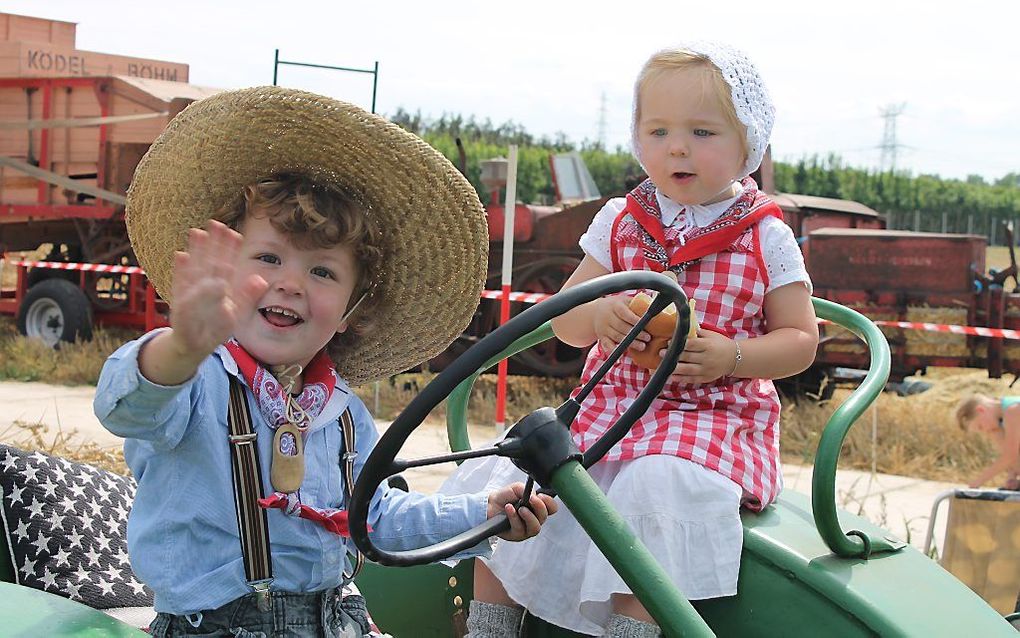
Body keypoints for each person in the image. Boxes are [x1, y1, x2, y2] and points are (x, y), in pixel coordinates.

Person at [94, 87, 557, 638]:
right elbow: (127, 407)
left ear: (350, 312)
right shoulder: (195, 381)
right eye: (268, 259)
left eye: (323, 273)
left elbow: (375, 520)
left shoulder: (341, 415)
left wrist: (481, 514)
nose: (290, 283)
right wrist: (183, 347)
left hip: (336, 620)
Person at [459, 42, 819, 637]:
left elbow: (802, 341)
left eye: (702, 131)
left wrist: (731, 356)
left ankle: (633, 630)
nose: (676, 147)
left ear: (748, 143)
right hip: (610, 408)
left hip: (710, 421)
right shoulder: (624, 220)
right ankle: (489, 627)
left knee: (656, 486)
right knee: (515, 469)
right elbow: (564, 322)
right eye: (658, 131)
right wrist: (598, 315)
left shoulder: (765, 236)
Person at [955, 393, 1020, 490]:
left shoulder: (1013, 410)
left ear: (981, 410)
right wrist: (1011, 477)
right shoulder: (1002, 419)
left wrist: (978, 482)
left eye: (980, 426)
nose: (984, 431)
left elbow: (1010, 455)